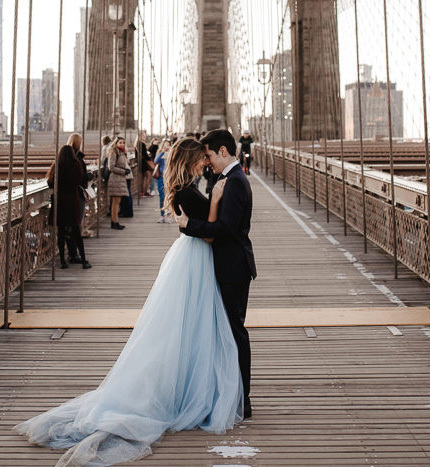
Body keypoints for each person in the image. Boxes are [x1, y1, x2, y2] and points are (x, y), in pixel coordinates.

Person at [14, 137, 242, 466]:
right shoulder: (191, 192)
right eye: (202, 158)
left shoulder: (183, 187)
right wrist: (218, 198)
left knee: (184, 325)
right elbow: (207, 231)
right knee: (192, 323)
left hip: (187, 258)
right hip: (196, 258)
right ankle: (185, 389)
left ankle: (183, 381)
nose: (206, 162)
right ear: (192, 158)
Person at [175, 129, 257, 419]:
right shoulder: (228, 179)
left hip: (232, 267)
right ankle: (228, 393)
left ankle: (242, 400)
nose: (207, 162)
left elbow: (225, 230)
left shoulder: (234, 182)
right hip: (226, 265)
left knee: (234, 333)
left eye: (209, 155)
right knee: (224, 332)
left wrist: (189, 226)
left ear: (223, 152)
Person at [46, 145, 92, 270]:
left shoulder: (57, 166)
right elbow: (80, 181)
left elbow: (50, 182)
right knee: (76, 231)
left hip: (60, 201)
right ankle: (83, 260)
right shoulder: (76, 165)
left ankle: (62, 261)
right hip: (72, 201)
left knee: (61, 233)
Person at [107, 136, 130, 230]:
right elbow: (111, 167)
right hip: (115, 179)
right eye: (120, 142)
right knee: (115, 202)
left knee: (117, 202)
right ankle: (114, 222)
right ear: (116, 143)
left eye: (123, 142)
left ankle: (115, 221)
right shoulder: (113, 152)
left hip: (120, 179)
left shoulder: (122, 152)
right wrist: (123, 171)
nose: (122, 144)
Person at [154, 139, 171, 223]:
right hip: (161, 177)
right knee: (161, 197)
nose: (166, 146)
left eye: (168, 145)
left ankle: (168, 215)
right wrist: (162, 153)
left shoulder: (172, 154)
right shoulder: (160, 154)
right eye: (165, 145)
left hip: (170, 178)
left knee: (169, 197)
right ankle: (162, 216)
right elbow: (155, 161)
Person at [134, 132, 153, 198]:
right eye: (144, 135)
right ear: (140, 136)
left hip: (139, 162)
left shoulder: (137, 144)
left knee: (142, 177)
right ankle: (144, 192)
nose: (145, 136)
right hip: (143, 162)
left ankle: (142, 192)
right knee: (148, 176)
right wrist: (150, 157)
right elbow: (144, 154)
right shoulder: (141, 144)